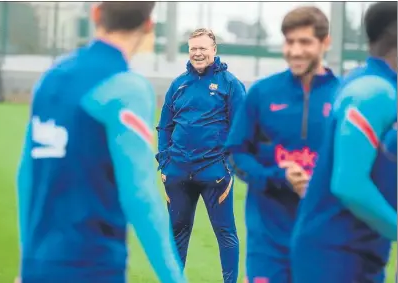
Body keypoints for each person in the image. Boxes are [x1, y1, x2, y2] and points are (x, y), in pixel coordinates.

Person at [15, 2, 186, 283]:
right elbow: (140, 194)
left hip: (39, 266)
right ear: (148, 26)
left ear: (96, 13)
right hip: (92, 266)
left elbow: (26, 176)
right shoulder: (127, 88)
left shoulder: (50, 79)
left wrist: (27, 263)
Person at [225, 6, 339, 283]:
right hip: (268, 243)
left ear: (325, 43)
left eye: (305, 42)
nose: (296, 51)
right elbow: (235, 154)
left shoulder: (344, 96)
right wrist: (278, 176)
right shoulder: (262, 93)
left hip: (325, 242)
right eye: (290, 42)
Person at [291, 2, 397, 283]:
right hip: (334, 257)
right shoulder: (372, 92)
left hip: (358, 253)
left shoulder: (377, 85)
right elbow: (349, 184)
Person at [156, 28, 245, 283]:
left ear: (214, 50)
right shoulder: (179, 84)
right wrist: (164, 163)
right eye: (193, 48)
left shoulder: (230, 84)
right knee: (176, 234)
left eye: (203, 48)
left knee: (225, 233)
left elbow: (242, 129)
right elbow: (165, 126)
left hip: (215, 175)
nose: (198, 53)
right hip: (178, 173)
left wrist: (228, 167)